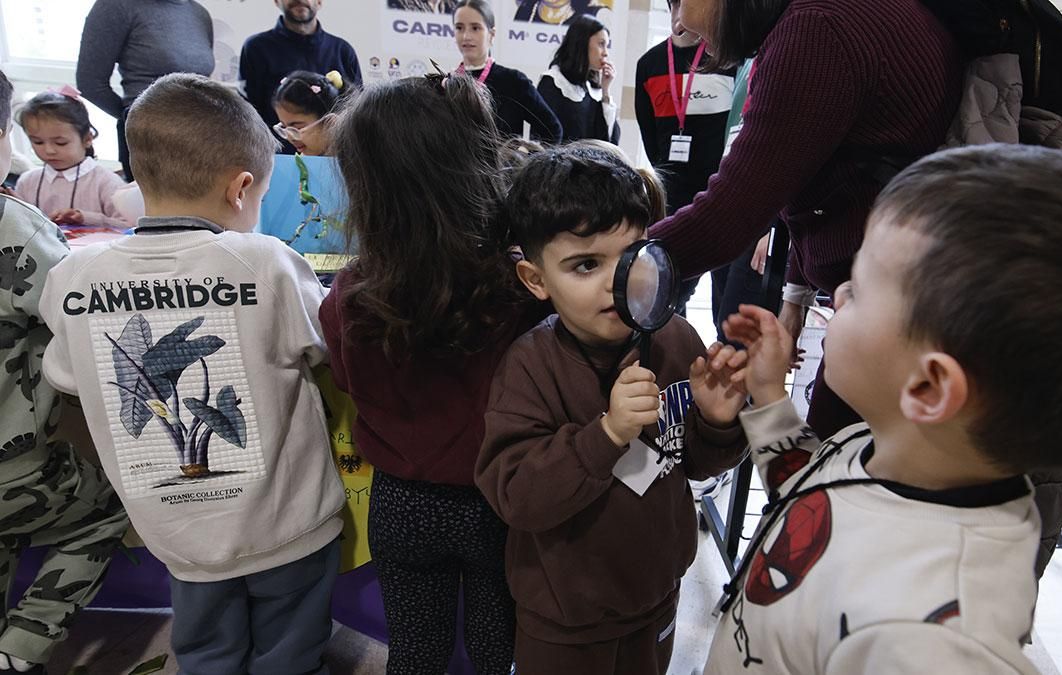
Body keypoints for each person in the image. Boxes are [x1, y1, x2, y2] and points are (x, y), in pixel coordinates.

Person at [698, 145, 1062, 674]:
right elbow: (811, 504)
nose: (839, 295)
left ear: (931, 387)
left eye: (860, 289)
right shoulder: (881, 446)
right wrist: (771, 398)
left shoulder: (936, 639)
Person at [38, 74, 345, 674]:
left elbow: (70, 379)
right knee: (291, 655)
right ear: (242, 188)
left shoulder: (75, 276)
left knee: (204, 654)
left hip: (179, 536)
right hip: (289, 527)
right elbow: (326, 350)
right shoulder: (267, 262)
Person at [475, 144, 748, 675]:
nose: (615, 283)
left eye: (630, 258)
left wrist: (716, 422)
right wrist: (606, 434)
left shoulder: (674, 339)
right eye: (584, 265)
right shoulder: (530, 365)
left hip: (657, 599)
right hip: (564, 622)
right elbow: (515, 494)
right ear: (536, 280)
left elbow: (691, 463)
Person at [647, 0, 961, 439]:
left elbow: (731, 212)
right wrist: (771, 391)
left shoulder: (815, 29)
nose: (679, 21)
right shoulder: (830, 19)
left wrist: (624, 265)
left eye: (679, 2)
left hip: (902, 314)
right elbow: (804, 491)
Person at [320, 74, 538, 675]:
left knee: (415, 652)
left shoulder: (349, 295)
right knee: (500, 650)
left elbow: (345, 380)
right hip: (500, 498)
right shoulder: (523, 286)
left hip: (402, 504)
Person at [0, 69, 129, 675]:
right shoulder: (13, 223)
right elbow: (80, 311)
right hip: (12, 467)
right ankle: (22, 649)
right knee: (110, 509)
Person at [634, 0, 736, 322]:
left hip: (725, 196)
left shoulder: (728, 60)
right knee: (668, 298)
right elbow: (650, 135)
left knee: (727, 305)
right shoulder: (649, 64)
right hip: (672, 198)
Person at [77, 0, 214, 182]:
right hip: (149, 141)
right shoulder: (116, 6)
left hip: (199, 135)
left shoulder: (198, 12)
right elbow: (90, 83)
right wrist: (136, 117)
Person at [240, 0, 361, 151]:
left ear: (319, 2)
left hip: (336, 161)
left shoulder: (343, 51)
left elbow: (358, 114)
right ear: (277, 2)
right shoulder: (256, 48)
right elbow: (247, 116)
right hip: (275, 160)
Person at [13, 89, 127, 229]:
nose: (49, 150)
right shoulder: (27, 182)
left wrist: (86, 218)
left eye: (60, 143)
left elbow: (128, 227)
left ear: (87, 139)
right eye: (38, 142)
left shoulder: (106, 182)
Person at [453, 0, 563, 143]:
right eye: (459, 28)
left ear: (491, 34)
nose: (466, 36)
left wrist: (524, 155)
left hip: (501, 165)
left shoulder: (513, 81)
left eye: (475, 28)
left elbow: (552, 130)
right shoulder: (445, 84)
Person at [537, 16, 620, 144]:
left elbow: (610, 142)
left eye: (606, 46)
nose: (605, 53)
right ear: (582, 43)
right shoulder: (553, 82)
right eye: (601, 44)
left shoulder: (594, 88)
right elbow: (542, 139)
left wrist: (606, 91)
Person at [272, 70, 351, 156]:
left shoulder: (357, 162)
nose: (290, 137)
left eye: (297, 128)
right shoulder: (304, 159)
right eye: (283, 127)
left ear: (330, 123)